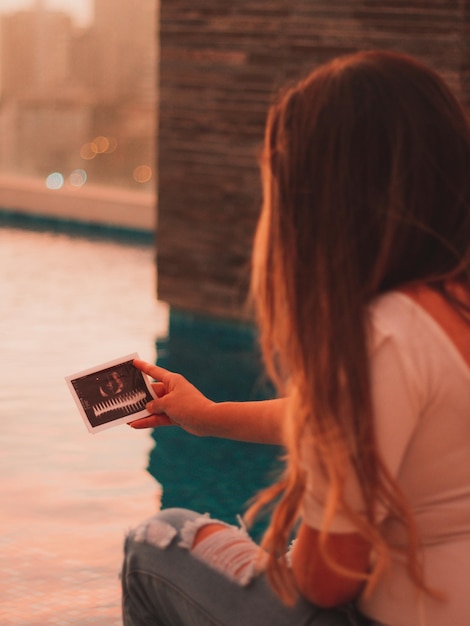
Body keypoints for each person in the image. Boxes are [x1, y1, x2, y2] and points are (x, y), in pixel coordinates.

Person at [121, 49, 470, 626]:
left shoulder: (383, 334)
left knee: (158, 542)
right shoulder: (445, 309)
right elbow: (355, 419)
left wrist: (294, 538)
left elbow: (327, 580)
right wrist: (207, 415)